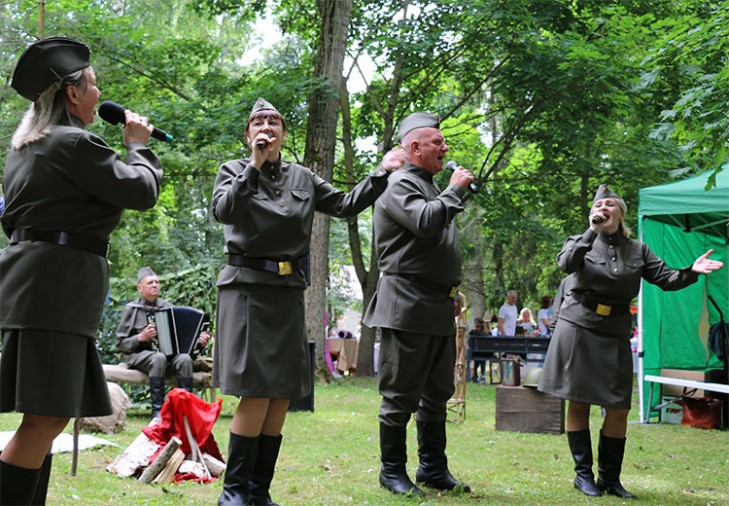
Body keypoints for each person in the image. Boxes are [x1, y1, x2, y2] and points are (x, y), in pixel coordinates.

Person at [0, 36, 162, 505]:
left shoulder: (25, 149)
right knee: (46, 419)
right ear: (72, 93)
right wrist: (138, 146)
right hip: (55, 293)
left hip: (38, 289)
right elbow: (141, 191)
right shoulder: (73, 142)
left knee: (44, 416)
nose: (97, 93)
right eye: (93, 85)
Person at [211, 98, 395, 506]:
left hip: (288, 291)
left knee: (281, 392)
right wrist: (254, 167)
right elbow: (225, 212)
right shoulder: (233, 172)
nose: (266, 126)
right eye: (258, 122)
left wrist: (381, 174)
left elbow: (346, 205)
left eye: (273, 121)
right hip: (247, 291)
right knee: (256, 390)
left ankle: (258, 492)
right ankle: (234, 493)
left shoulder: (303, 178)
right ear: (248, 135)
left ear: (283, 133)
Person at [538, 184, 723, 499]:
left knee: (618, 406)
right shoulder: (580, 242)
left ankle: (610, 479)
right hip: (579, 327)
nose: (604, 208)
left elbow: (667, 279)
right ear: (593, 213)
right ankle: (583, 476)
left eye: (611, 204)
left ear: (621, 213)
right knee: (578, 400)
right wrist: (589, 232)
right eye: (599, 204)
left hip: (615, 332)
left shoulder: (638, 250)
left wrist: (692, 270)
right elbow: (566, 264)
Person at [363, 111, 474, 497]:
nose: (446, 149)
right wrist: (456, 190)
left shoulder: (429, 186)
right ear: (414, 147)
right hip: (406, 305)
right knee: (400, 395)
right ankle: (391, 471)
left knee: (437, 394)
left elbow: (435, 244)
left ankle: (432, 468)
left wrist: (452, 290)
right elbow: (426, 222)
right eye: (438, 142)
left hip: (438, 305)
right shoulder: (399, 185)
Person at [115, 267, 211, 420]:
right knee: (158, 357)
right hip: (141, 357)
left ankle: (184, 410)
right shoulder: (131, 309)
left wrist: (199, 343)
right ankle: (157, 412)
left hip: (169, 358)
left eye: (157, 282)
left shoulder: (169, 308)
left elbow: (184, 346)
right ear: (140, 288)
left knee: (185, 359)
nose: (154, 285)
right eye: (150, 283)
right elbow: (121, 343)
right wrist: (140, 337)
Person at [468, 317, 488, 383]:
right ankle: (482, 375)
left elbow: (469, 343)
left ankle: (475, 376)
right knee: (483, 361)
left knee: (476, 361)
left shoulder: (473, 333)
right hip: (485, 354)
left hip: (475, 354)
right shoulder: (486, 333)